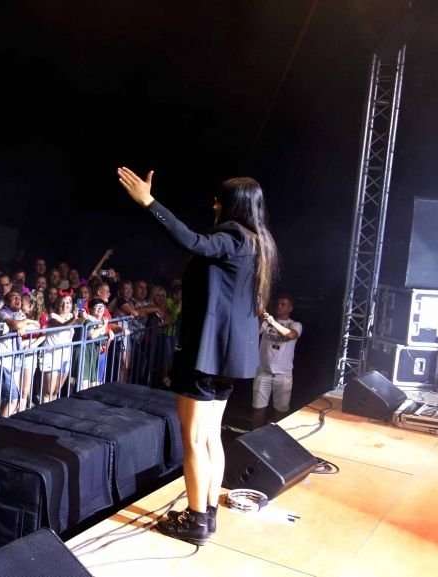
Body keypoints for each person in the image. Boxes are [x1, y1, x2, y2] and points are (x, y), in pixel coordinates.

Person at [118, 167, 278, 545]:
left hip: (204, 356)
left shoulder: (232, 236)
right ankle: (206, 514)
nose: (214, 205)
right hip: (227, 360)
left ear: (232, 205)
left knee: (192, 438)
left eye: (219, 200)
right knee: (210, 437)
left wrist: (149, 203)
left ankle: (195, 520)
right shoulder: (258, 243)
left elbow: (191, 241)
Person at [252, 294, 302, 428]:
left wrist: (273, 322)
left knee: (281, 410)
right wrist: (261, 317)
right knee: (258, 408)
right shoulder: (266, 323)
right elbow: (254, 332)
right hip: (263, 372)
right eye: (278, 303)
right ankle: (256, 435)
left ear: (290, 308)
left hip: (283, 375)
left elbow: (290, 335)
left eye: (283, 304)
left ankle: (278, 437)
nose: (279, 306)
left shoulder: (295, 324)